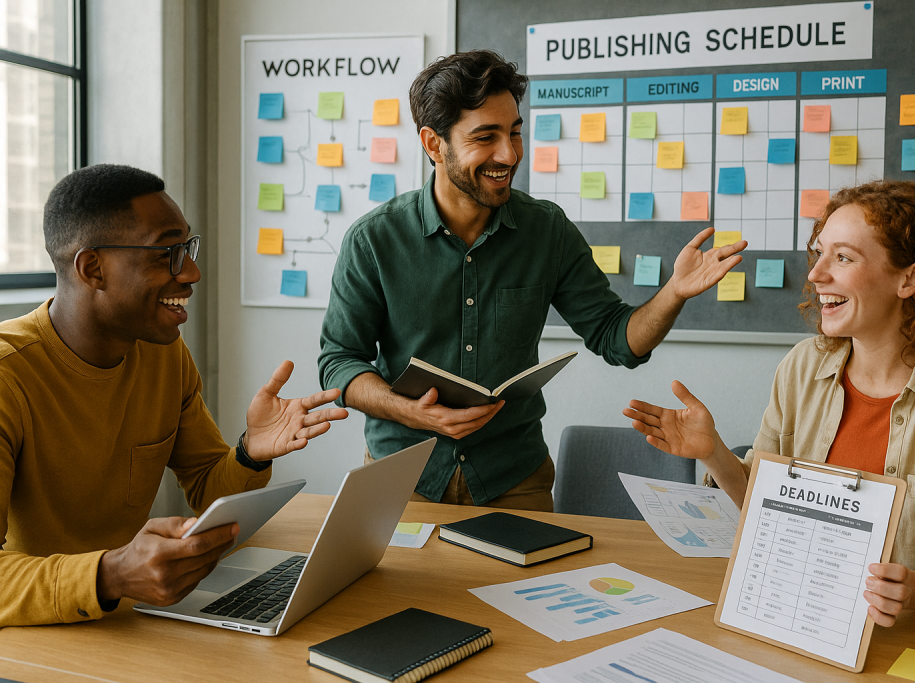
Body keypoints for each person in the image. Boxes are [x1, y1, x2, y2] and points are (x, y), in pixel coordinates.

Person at [318, 49, 746, 511]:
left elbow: (617, 339)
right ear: (433, 143)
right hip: (402, 475)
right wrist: (409, 411)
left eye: (515, 132)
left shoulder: (547, 230)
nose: (509, 154)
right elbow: (340, 361)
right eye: (486, 137)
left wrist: (674, 293)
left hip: (513, 478)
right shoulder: (373, 240)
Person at [625, 179, 915, 652]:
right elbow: (768, 501)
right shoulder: (802, 365)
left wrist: (914, 588)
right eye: (819, 254)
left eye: (844, 258)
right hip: (810, 623)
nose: (816, 275)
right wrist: (713, 454)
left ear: (910, 278)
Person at [0, 164, 348, 627]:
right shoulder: (9, 376)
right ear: (93, 268)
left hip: (131, 618)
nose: (192, 273)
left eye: (187, 248)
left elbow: (207, 487)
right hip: (36, 640)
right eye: (167, 252)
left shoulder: (162, 355)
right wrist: (109, 575)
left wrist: (249, 453)